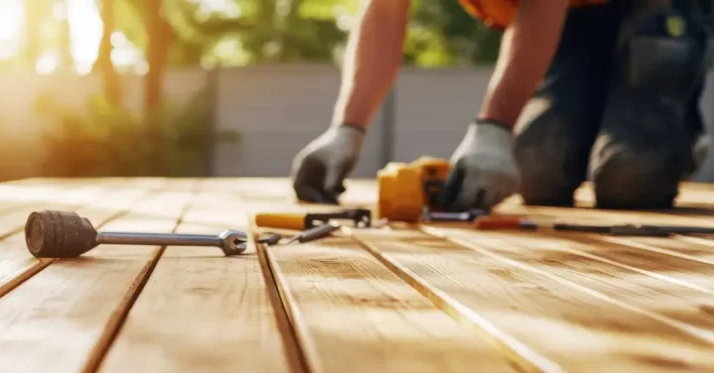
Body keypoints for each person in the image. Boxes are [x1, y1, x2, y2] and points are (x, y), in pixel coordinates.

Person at [290, 0, 712, 211]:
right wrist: (347, 130)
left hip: (658, 6)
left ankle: (675, 137)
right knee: (537, 179)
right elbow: (384, 14)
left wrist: (493, 128)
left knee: (629, 180)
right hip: (573, 14)